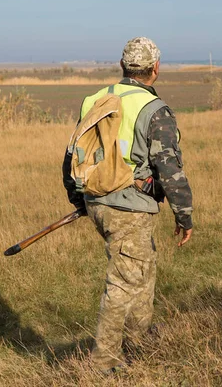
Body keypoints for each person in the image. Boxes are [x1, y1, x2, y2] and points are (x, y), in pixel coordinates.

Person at [62, 37, 193, 374]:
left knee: (142, 270)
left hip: (97, 200)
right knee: (123, 280)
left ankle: (141, 345)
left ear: (123, 67)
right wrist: (184, 215)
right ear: (155, 69)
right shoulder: (154, 109)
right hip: (129, 207)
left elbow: (75, 151)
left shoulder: (96, 98)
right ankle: (103, 364)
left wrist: (80, 198)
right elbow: (169, 167)